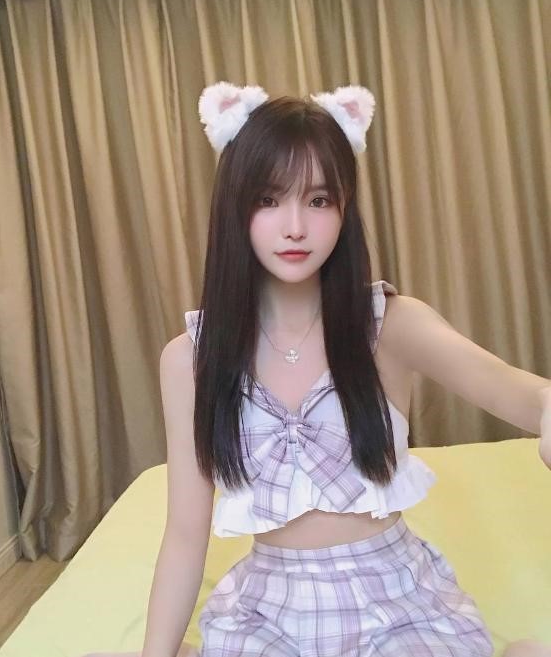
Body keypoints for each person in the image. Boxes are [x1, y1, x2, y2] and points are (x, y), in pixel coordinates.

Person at [91, 81, 551, 657]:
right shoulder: (190, 358)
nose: (295, 227)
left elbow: (521, 392)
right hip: (269, 611)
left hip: (393, 603)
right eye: (268, 200)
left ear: (344, 208)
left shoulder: (391, 325)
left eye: (318, 200)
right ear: (235, 208)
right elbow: (186, 534)